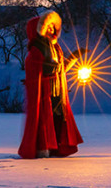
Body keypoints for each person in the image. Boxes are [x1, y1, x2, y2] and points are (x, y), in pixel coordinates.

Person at [18, 10, 83, 159]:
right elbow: (39, 72)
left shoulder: (56, 48)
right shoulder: (36, 51)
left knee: (58, 119)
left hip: (57, 92)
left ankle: (56, 148)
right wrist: (53, 67)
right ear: (39, 30)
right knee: (44, 120)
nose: (52, 30)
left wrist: (74, 57)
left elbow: (60, 69)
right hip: (44, 94)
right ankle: (42, 148)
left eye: (53, 27)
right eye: (48, 27)